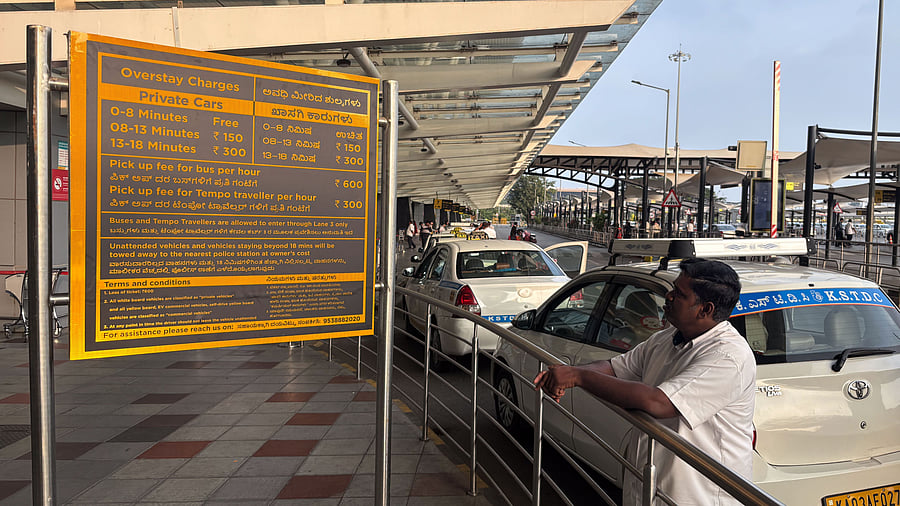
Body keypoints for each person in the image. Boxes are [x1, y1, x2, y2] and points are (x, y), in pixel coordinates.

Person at [533, 258, 755, 505]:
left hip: (696, 496)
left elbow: (658, 403)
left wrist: (578, 376)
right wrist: (569, 372)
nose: (668, 297)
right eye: (672, 289)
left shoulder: (727, 356)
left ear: (706, 310)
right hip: (649, 486)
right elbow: (616, 368)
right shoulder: (668, 337)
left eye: (679, 294)